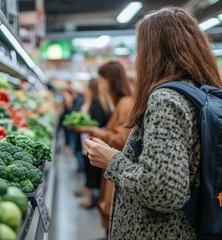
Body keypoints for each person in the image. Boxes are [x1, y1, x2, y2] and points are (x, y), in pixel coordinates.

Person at [85, 7, 222, 239]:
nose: (138, 60)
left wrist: (112, 160)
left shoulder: (166, 100)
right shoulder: (200, 93)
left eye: (141, 50)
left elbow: (164, 191)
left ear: (153, 52)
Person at [75, 61, 133, 236]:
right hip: (114, 169)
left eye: (101, 80)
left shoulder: (125, 104)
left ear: (110, 80)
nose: (100, 86)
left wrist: (95, 132)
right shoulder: (121, 103)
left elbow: (122, 139)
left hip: (118, 167)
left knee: (111, 210)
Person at [75, 78, 111, 208]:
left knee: (92, 171)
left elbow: (95, 126)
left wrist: (83, 127)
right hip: (94, 143)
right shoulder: (100, 104)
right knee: (92, 171)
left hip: (93, 143)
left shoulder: (96, 105)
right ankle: (90, 194)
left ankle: (91, 199)